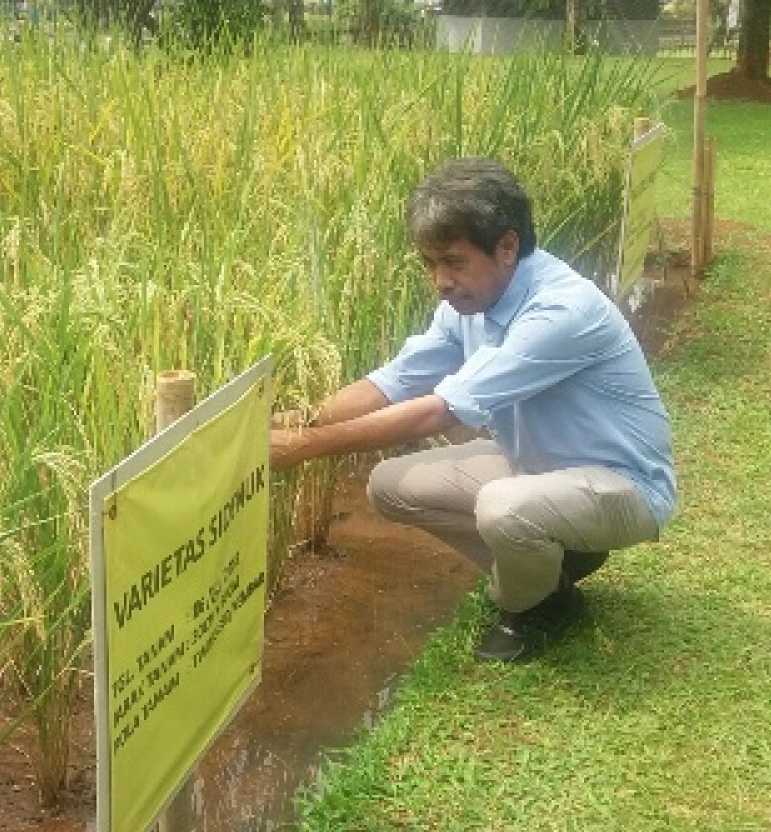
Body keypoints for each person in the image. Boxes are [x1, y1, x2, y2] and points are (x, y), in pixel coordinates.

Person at [269, 157, 677, 663]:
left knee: (504, 508)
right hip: (536, 466)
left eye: (453, 262)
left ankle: (534, 608)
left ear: (507, 247)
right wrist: (288, 424)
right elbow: (393, 382)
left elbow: (438, 413)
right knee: (390, 486)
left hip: (624, 486)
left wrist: (299, 450)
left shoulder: (560, 310)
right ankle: (554, 564)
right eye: (429, 264)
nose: (440, 280)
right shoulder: (468, 305)